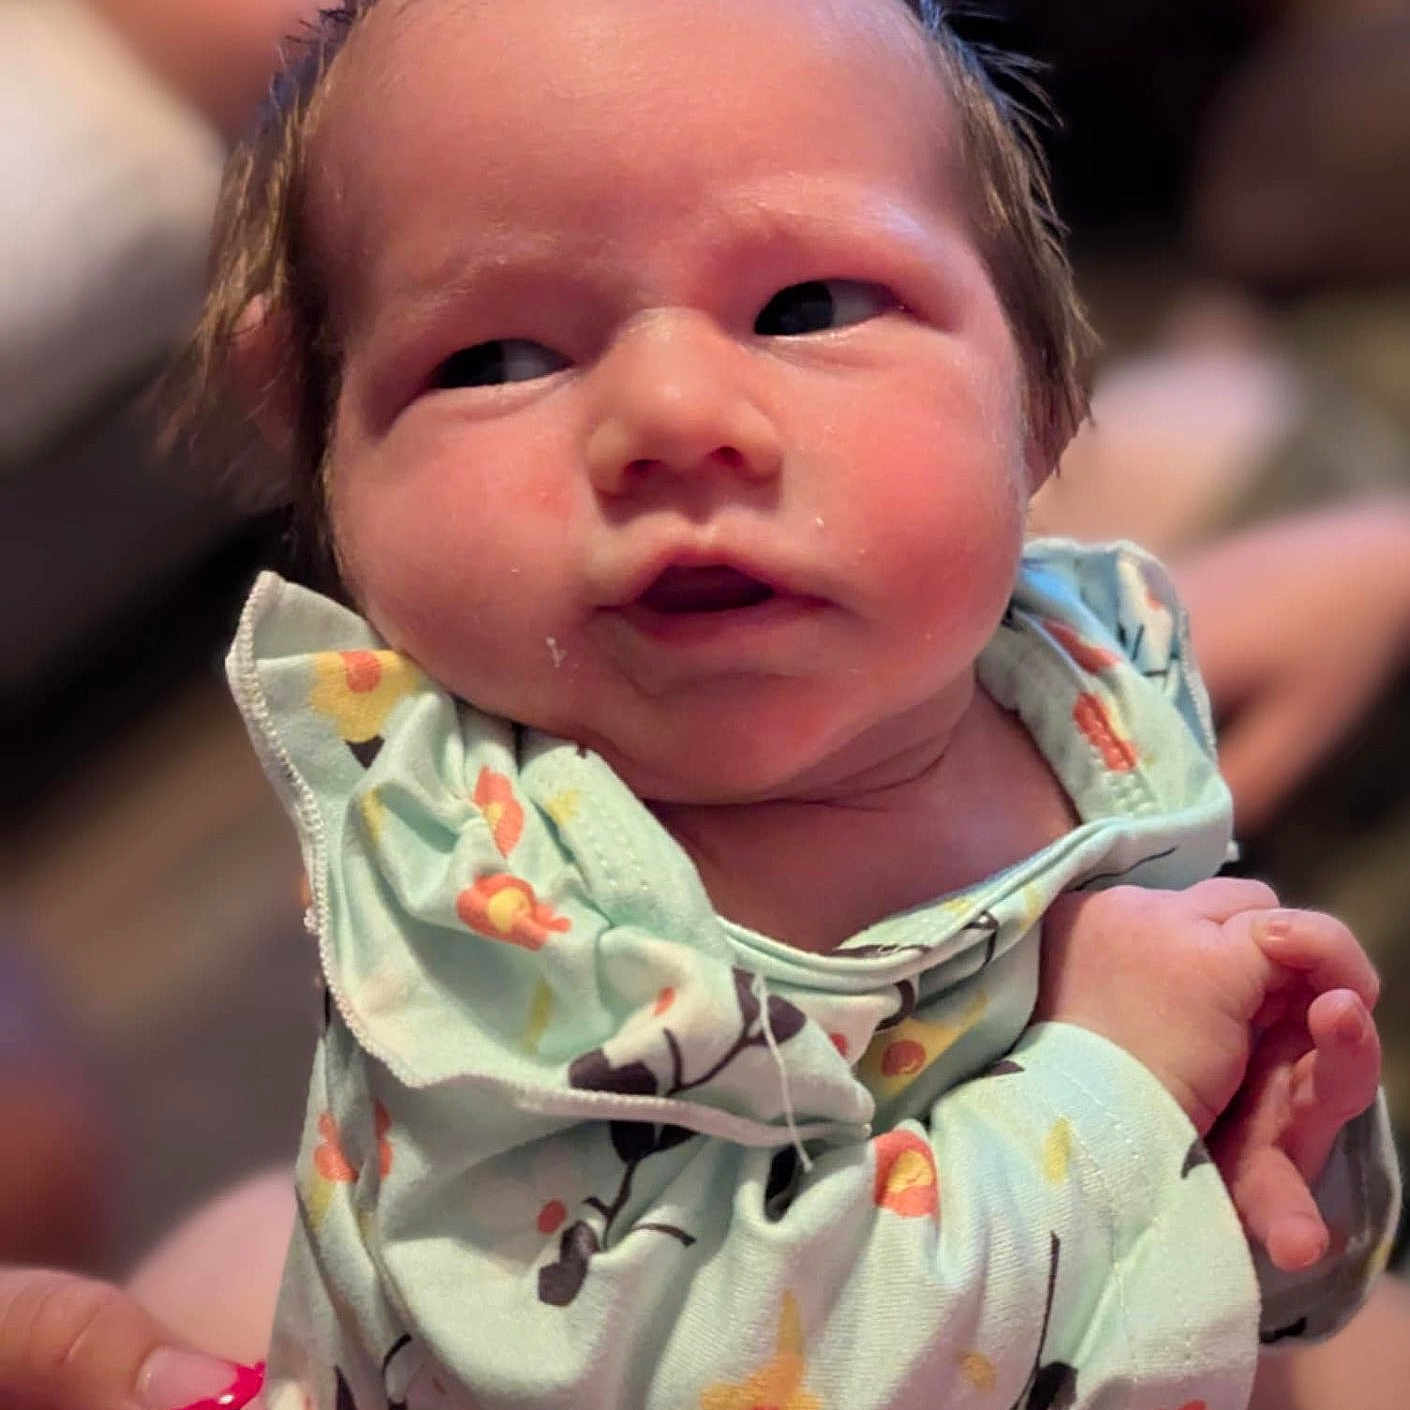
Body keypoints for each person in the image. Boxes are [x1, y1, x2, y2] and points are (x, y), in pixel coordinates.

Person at [165, 1, 1404, 1406]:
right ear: (313, 443)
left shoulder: (1081, 673)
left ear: (1044, 391)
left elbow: (1218, 1212)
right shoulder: (501, 899)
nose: (674, 414)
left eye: (806, 307)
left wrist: (1275, 1147)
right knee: (213, 1267)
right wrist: (1111, 1083)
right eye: (501, 359)